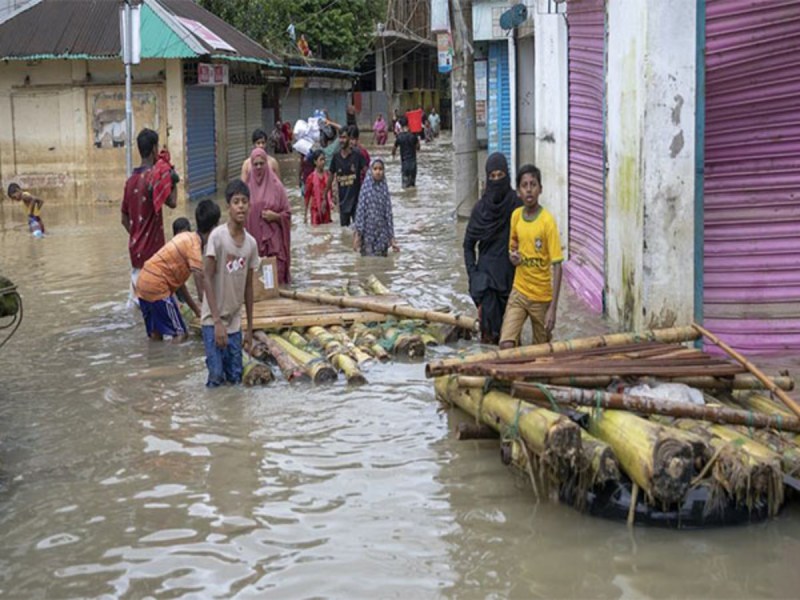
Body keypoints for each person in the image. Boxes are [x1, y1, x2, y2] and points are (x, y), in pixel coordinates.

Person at [201, 180, 260, 387]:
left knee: (235, 377)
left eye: (245, 201)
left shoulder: (251, 244)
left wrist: (250, 329)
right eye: (236, 202)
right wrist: (216, 322)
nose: (241, 206)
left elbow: (249, 287)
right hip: (213, 319)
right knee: (216, 377)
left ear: (250, 206)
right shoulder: (217, 237)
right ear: (229, 206)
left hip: (235, 322)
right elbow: (206, 276)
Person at [135, 199, 220, 341]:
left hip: (143, 283)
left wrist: (196, 311)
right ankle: (176, 363)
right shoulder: (195, 250)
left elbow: (180, 285)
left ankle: (157, 362)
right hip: (157, 286)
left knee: (156, 335)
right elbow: (202, 293)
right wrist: (216, 318)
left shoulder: (186, 238)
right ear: (214, 229)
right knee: (181, 334)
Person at [499, 164, 563, 348]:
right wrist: (513, 257)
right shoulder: (516, 216)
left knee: (540, 354)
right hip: (519, 292)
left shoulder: (547, 222)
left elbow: (558, 266)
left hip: (542, 298)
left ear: (540, 189)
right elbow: (513, 249)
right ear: (518, 191)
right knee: (506, 344)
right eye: (524, 185)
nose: (529, 189)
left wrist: (553, 309)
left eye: (533, 184)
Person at [463, 153, 522, 345]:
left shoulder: (517, 206)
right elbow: (468, 245)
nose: (496, 180)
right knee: (488, 341)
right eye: (492, 176)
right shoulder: (480, 210)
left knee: (512, 339)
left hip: (512, 280)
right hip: (487, 282)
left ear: (507, 175)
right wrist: (473, 275)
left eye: (500, 175)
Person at [121, 128, 177, 302]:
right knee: (160, 308)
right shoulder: (155, 177)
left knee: (138, 309)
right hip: (154, 257)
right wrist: (173, 179)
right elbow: (173, 202)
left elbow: (123, 219)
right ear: (154, 149)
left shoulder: (130, 181)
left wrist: (138, 234)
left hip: (136, 254)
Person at [245, 147, 292, 284]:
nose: (259, 167)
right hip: (254, 244)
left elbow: (288, 213)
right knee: (258, 283)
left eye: (262, 163)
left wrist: (276, 217)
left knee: (275, 282)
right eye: (255, 164)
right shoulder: (246, 189)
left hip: (274, 245)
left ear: (267, 163)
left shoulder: (277, 187)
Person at [353, 159, 399, 257]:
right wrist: (358, 235)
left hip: (382, 234)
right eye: (375, 169)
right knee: (368, 263)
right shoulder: (365, 189)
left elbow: (388, 214)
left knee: (381, 264)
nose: (378, 172)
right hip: (367, 234)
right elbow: (360, 212)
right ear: (371, 171)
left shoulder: (384, 189)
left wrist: (392, 238)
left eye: (380, 169)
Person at [326, 126, 368, 227]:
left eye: (344, 137)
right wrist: (325, 197)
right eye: (340, 137)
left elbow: (368, 173)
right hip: (343, 202)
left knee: (358, 229)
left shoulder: (357, 155)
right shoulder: (336, 157)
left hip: (356, 201)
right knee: (344, 231)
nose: (341, 140)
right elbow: (330, 177)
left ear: (349, 138)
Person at [304, 150, 332, 226]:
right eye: (321, 160)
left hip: (326, 209)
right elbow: (307, 196)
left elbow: (331, 191)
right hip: (315, 209)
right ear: (315, 162)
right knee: (316, 232)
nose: (323, 162)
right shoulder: (311, 177)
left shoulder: (328, 175)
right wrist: (305, 215)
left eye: (324, 159)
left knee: (327, 231)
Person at [392, 117, 420, 189]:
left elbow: (393, 149)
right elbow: (418, 148)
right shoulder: (413, 136)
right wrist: (417, 139)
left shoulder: (399, 137)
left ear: (401, 126)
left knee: (405, 188)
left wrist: (393, 156)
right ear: (408, 124)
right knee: (412, 187)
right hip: (413, 165)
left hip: (404, 165)